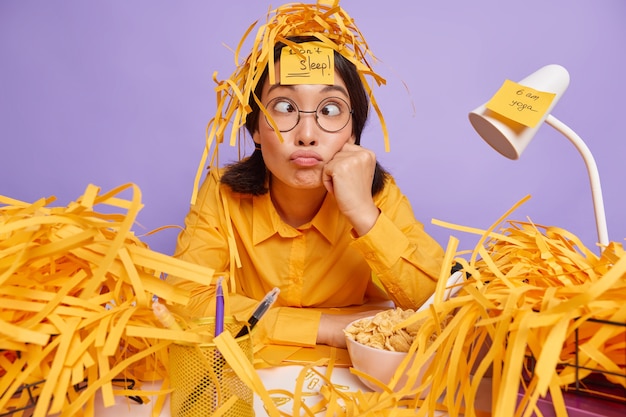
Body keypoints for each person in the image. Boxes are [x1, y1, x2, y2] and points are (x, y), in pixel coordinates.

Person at [167, 1, 446, 350]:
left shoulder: (379, 196)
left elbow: (443, 305)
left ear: (353, 134)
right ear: (255, 128)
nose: (307, 133)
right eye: (285, 107)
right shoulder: (222, 195)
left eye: (330, 110)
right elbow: (184, 303)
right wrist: (329, 327)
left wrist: (365, 216)